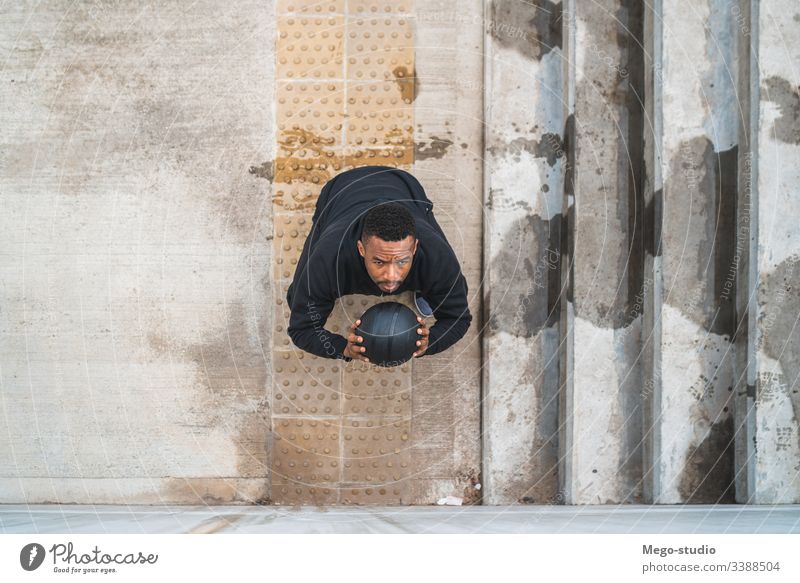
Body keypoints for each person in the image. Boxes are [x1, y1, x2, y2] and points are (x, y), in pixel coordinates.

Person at [285, 165, 472, 362]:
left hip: (403, 184)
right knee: (296, 296)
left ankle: (429, 291)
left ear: (415, 248)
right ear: (361, 249)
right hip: (340, 191)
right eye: (379, 261)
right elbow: (301, 329)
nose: (392, 275)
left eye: (402, 261)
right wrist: (343, 349)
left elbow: (458, 319)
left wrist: (430, 342)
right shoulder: (329, 259)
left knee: (445, 286)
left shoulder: (436, 256)